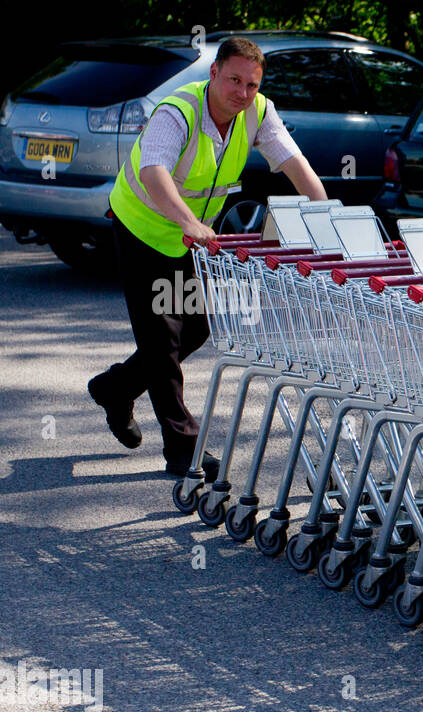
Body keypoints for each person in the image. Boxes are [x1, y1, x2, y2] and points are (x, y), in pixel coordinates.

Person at [88, 36, 327, 477]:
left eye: (252, 84)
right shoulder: (177, 111)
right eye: (234, 80)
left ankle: (115, 387)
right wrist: (186, 222)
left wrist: (324, 215)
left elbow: (296, 164)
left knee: (196, 328)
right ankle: (183, 450)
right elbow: (153, 171)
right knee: (161, 340)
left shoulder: (258, 112)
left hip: (193, 239)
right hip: (144, 227)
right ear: (214, 73)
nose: (242, 92)